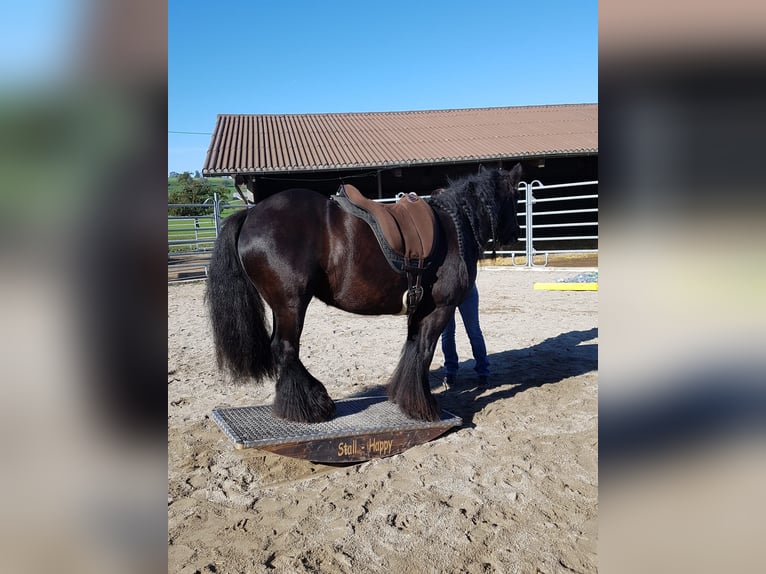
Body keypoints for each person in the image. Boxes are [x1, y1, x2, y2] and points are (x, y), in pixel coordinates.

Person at [441, 283, 490, 388]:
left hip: (467, 289)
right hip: (446, 291)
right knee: (447, 333)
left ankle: (483, 371)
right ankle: (450, 371)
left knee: (474, 332)